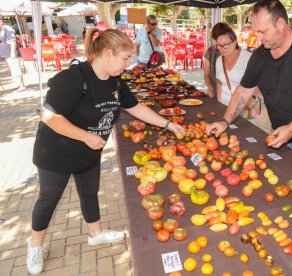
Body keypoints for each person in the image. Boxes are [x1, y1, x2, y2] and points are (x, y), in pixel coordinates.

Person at [27, 28, 184, 275]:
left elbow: (136, 107)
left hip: (88, 151)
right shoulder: (75, 77)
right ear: (108, 53)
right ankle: (35, 245)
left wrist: (167, 123)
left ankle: (95, 233)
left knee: (89, 192)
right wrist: (85, 136)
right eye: (124, 58)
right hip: (57, 151)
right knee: (49, 199)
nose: (127, 63)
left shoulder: (115, 81)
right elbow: (47, 115)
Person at [207, 0, 292, 176]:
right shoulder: (259, 56)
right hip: (280, 134)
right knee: (285, 181)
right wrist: (225, 121)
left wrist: (291, 128)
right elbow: (243, 92)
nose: (258, 38)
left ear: (280, 24)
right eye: (256, 32)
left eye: (262, 32)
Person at [214, 22, 252, 106]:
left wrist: (251, 100)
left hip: (243, 107)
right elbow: (219, 83)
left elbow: (258, 85)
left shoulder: (248, 58)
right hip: (224, 105)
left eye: (226, 45)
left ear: (234, 42)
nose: (222, 49)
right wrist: (219, 104)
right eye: (219, 45)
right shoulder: (219, 60)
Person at [0, 17, 25, 91]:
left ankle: (22, 86)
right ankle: (19, 84)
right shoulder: (1, 30)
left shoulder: (7, 29)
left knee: (16, 69)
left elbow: (13, 41)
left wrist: (13, 53)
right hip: (6, 54)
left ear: (1, 21)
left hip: (11, 53)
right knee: (13, 70)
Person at [203, 24, 222, 99]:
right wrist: (210, 87)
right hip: (214, 93)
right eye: (215, 39)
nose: (216, 42)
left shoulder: (229, 52)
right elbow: (206, 74)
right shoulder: (210, 51)